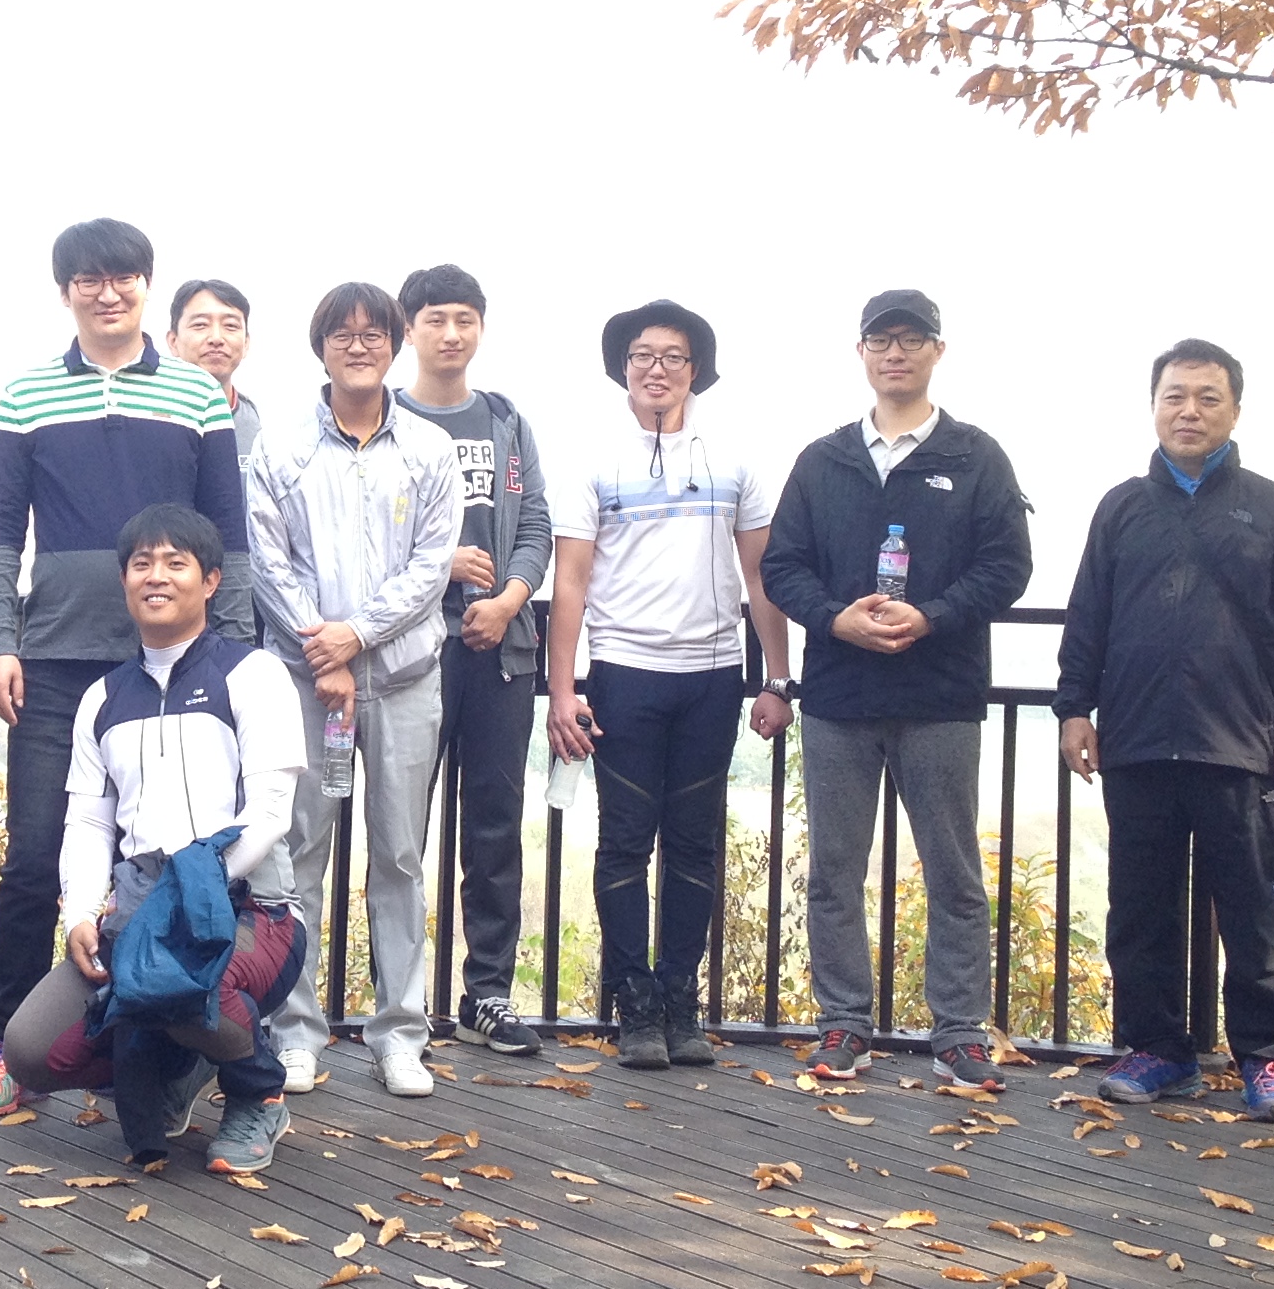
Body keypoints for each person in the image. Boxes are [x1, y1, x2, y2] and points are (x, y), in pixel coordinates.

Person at [0, 220, 255, 1116]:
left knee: (179, 854)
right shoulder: (26, 396)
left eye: (123, 276)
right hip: (53, 659)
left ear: (144, 286)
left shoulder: (196, 395)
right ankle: (13, 1047)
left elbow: (229, 534)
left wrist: (232, 651)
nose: (107, 291)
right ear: (66, 292)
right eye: (88, 279)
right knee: (33, 857)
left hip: (169, 664)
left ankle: (156, 1044)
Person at [761, 290, 1033, 1091]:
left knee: (954, 873)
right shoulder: (824, 460)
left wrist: (934, 616)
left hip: (940, 695)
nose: (896, 353)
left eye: (912, 340)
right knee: (833, 872)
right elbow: (782, 566)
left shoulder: (975, 456)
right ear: (861, 353)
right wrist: (834, 620)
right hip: (839, 698)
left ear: (937, 352)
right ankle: (843, 1023)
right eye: (881, 340)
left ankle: (960, 1033)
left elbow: (1009, 565)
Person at [1055, 339, 1274, 1124]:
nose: (1189, 411)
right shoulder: (1121, 508)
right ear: (1154, 406)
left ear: (1235, 410)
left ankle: (1267, 1059)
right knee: (1140, 909)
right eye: (1175, 396)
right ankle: (1158, 1051)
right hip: (1137, 740)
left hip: (1238, 742)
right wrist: (1074, 708)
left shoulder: (1272, 508)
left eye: (1208, 397)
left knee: (1253, 911)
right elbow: (1089, 615)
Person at [1, 505, 308, 1174]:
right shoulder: (103, 698)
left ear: (211, 581)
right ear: (124, 581)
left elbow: (270, 813)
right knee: (31, 1049)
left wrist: (184, 896)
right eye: (141, 563)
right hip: (136, 914)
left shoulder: (253, 675)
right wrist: (82, 915)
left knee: (172, 981)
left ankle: (258, 1092)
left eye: (176, 563)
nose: (156, 576)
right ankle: (180, 1061)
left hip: (251, 912)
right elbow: (88, 823)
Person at [545, 301, 794, 1069]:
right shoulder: (593, 458)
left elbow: (760, 576)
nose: (656, 369)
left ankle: (682, 999)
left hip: (713, 676)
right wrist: (563, 691)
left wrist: (778, 679)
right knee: (624, 843)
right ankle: (636, 1004)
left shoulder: (735, 458)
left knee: (693, 844)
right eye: (642, 356)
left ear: (697, 369)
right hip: (624, 672)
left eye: (673, 357)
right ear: (623, 367)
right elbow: (570, 581)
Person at [245, 281, 459, 1097]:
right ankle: (295, 1032)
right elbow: (269, 564)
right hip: (305, 687)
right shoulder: (281, 448)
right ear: (322, 346)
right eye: (344, 332)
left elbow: (431, 568)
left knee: (400, 855)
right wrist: (324, 650)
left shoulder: (429, 449)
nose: (360, 345)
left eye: (375, 333)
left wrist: (354, 637)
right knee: (297, 854)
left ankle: (400, 1034)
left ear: (395, 346)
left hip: (404, 681)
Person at [394, 265, 555, 1058]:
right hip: (410, 654)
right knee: (402, 831)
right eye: (434, 319)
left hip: (500, 652)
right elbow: (367, 535)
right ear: (409, 328)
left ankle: (487, 993)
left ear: (481, 327)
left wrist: (509, 598)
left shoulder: (504, 421)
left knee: (495, 828)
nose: (450, 333)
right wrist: (441, 568)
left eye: (464, 319)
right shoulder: (384, 416)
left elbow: (537, 526)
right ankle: (398, 1003)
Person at [169, 277, 261, 451]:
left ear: (246, 343)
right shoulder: (151, 417)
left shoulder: (261, 425)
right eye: (200, 325)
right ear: (173, 341)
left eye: (230, 325)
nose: (216, 338)